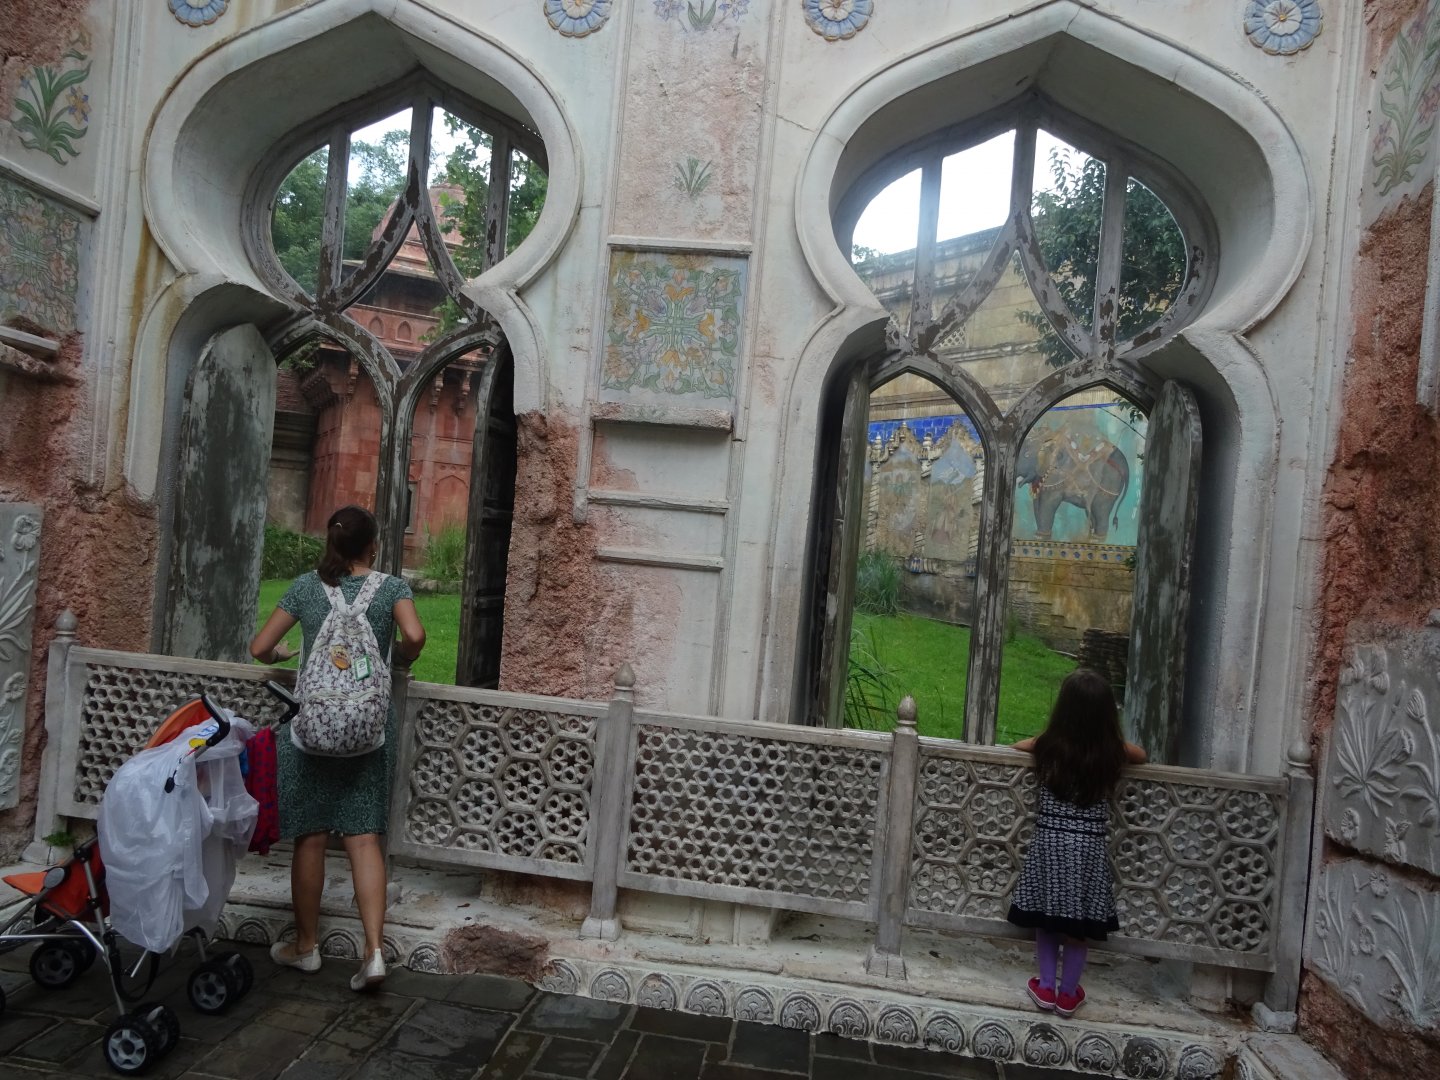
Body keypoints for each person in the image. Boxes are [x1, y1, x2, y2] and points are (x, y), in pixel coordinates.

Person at [250, 505, 425, 991]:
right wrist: (403, 659)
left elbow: (259, 646)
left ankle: (305, 946)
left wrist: (284, 654)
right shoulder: (391, 588)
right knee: (363, 837)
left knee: (309, 835)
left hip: (312, 730)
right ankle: (372, 954)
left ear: (331, 544)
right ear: (373, 545)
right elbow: (414, 635)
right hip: (368, 730)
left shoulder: (307, 587)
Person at [1006, 668, 1146, 1017]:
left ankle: (1046, 987)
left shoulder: (1050, 746)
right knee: (1078, 925)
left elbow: (1017, 746)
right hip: (1088, 848)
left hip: (1051, 843)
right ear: (1106, 715)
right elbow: (1140, 754)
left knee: (1047, 918)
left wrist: (1051, 734)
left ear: (1063, 709)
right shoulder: (1111, 752)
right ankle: (1069, 994)